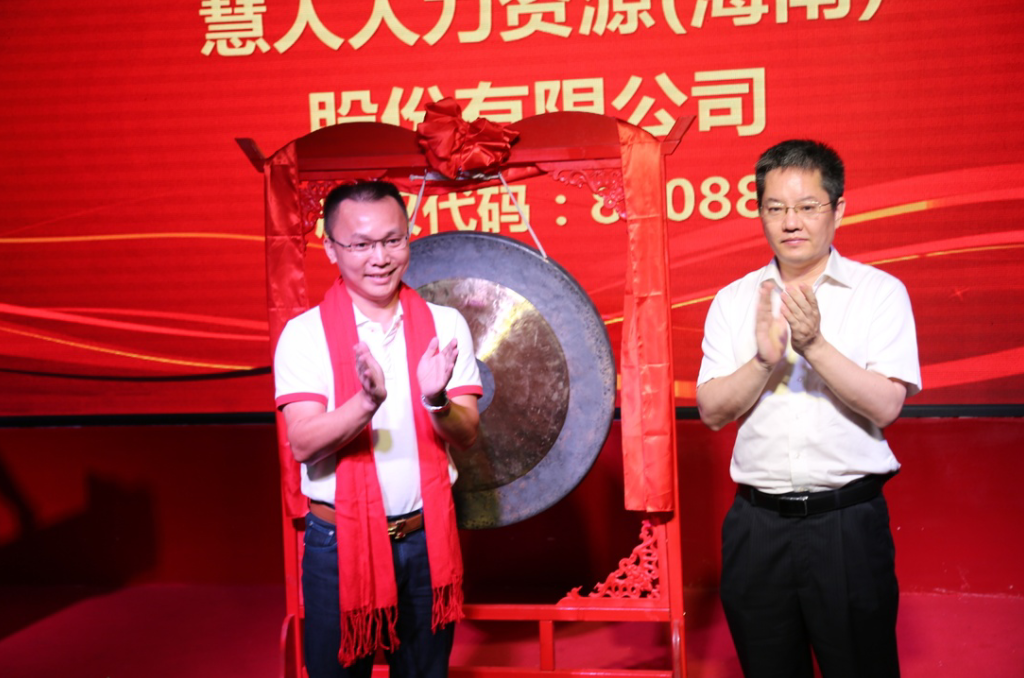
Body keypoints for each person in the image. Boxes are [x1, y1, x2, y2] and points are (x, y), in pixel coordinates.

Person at [696, 140, 921, 678]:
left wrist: (814, 344)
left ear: (837, 209)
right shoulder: (734, 300)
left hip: (846, 526)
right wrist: (763, 361)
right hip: (757, 528)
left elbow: (887, 406)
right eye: (775, 208)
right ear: (760, 212)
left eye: (807, 206)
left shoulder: (879, 292)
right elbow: (711, 411)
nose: (790, 222)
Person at [273, 180, 482, 678]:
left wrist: (436, 400)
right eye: (361, 245)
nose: (380, 258)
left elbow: (467, 433)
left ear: (409, 237)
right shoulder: (304, 335)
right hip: (338, 544)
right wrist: (365, 403)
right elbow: (302, 443)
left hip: (425, 539)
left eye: (392, 240)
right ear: (331, 248)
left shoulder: (445, 326)